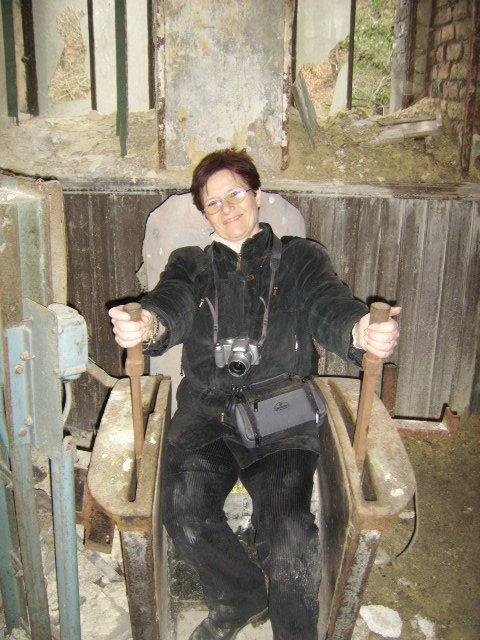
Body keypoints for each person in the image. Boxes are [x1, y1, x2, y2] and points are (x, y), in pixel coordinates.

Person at [109, 148, 400, 640]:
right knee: (180, 507)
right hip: (207, 415)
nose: (227, 208)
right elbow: (170, 302)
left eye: (236, 194)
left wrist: (358, 331)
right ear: (204, 213)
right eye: (213, 202)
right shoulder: (191, 264)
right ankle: (238, 596)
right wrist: (149, 323)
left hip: (281, 416)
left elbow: (329, 304)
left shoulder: (300, 258)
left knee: (289, 538)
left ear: (258, 195)